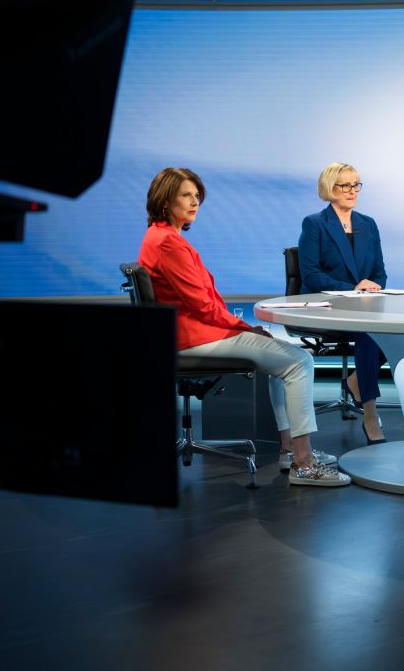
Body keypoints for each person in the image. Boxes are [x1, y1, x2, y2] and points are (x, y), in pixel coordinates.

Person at [139, 167, 351, 486]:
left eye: (197, 196)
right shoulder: (168, 244)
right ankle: (304, 464)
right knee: (300, 361)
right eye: (186, 195)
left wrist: (242, 329)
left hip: (188, 333)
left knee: (286, 359)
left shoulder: (159, 237)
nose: (195, 202)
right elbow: (204, 306)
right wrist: (246, 328)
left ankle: (289, 451)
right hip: (193, 337)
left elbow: (201, 303)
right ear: (165, 200)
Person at [297, 162, 389, 445]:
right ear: (329, 188)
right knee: (368, 332)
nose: (352, 191)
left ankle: (355, 381)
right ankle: (371, 416)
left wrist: (373, 287)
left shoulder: (368, 224)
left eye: (356, 184)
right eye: (344, 185)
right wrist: (352, 288)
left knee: (395, 330)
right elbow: (311, 276)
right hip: (325, 307)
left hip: (362, 305)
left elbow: (379, 272)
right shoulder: (315, 224)